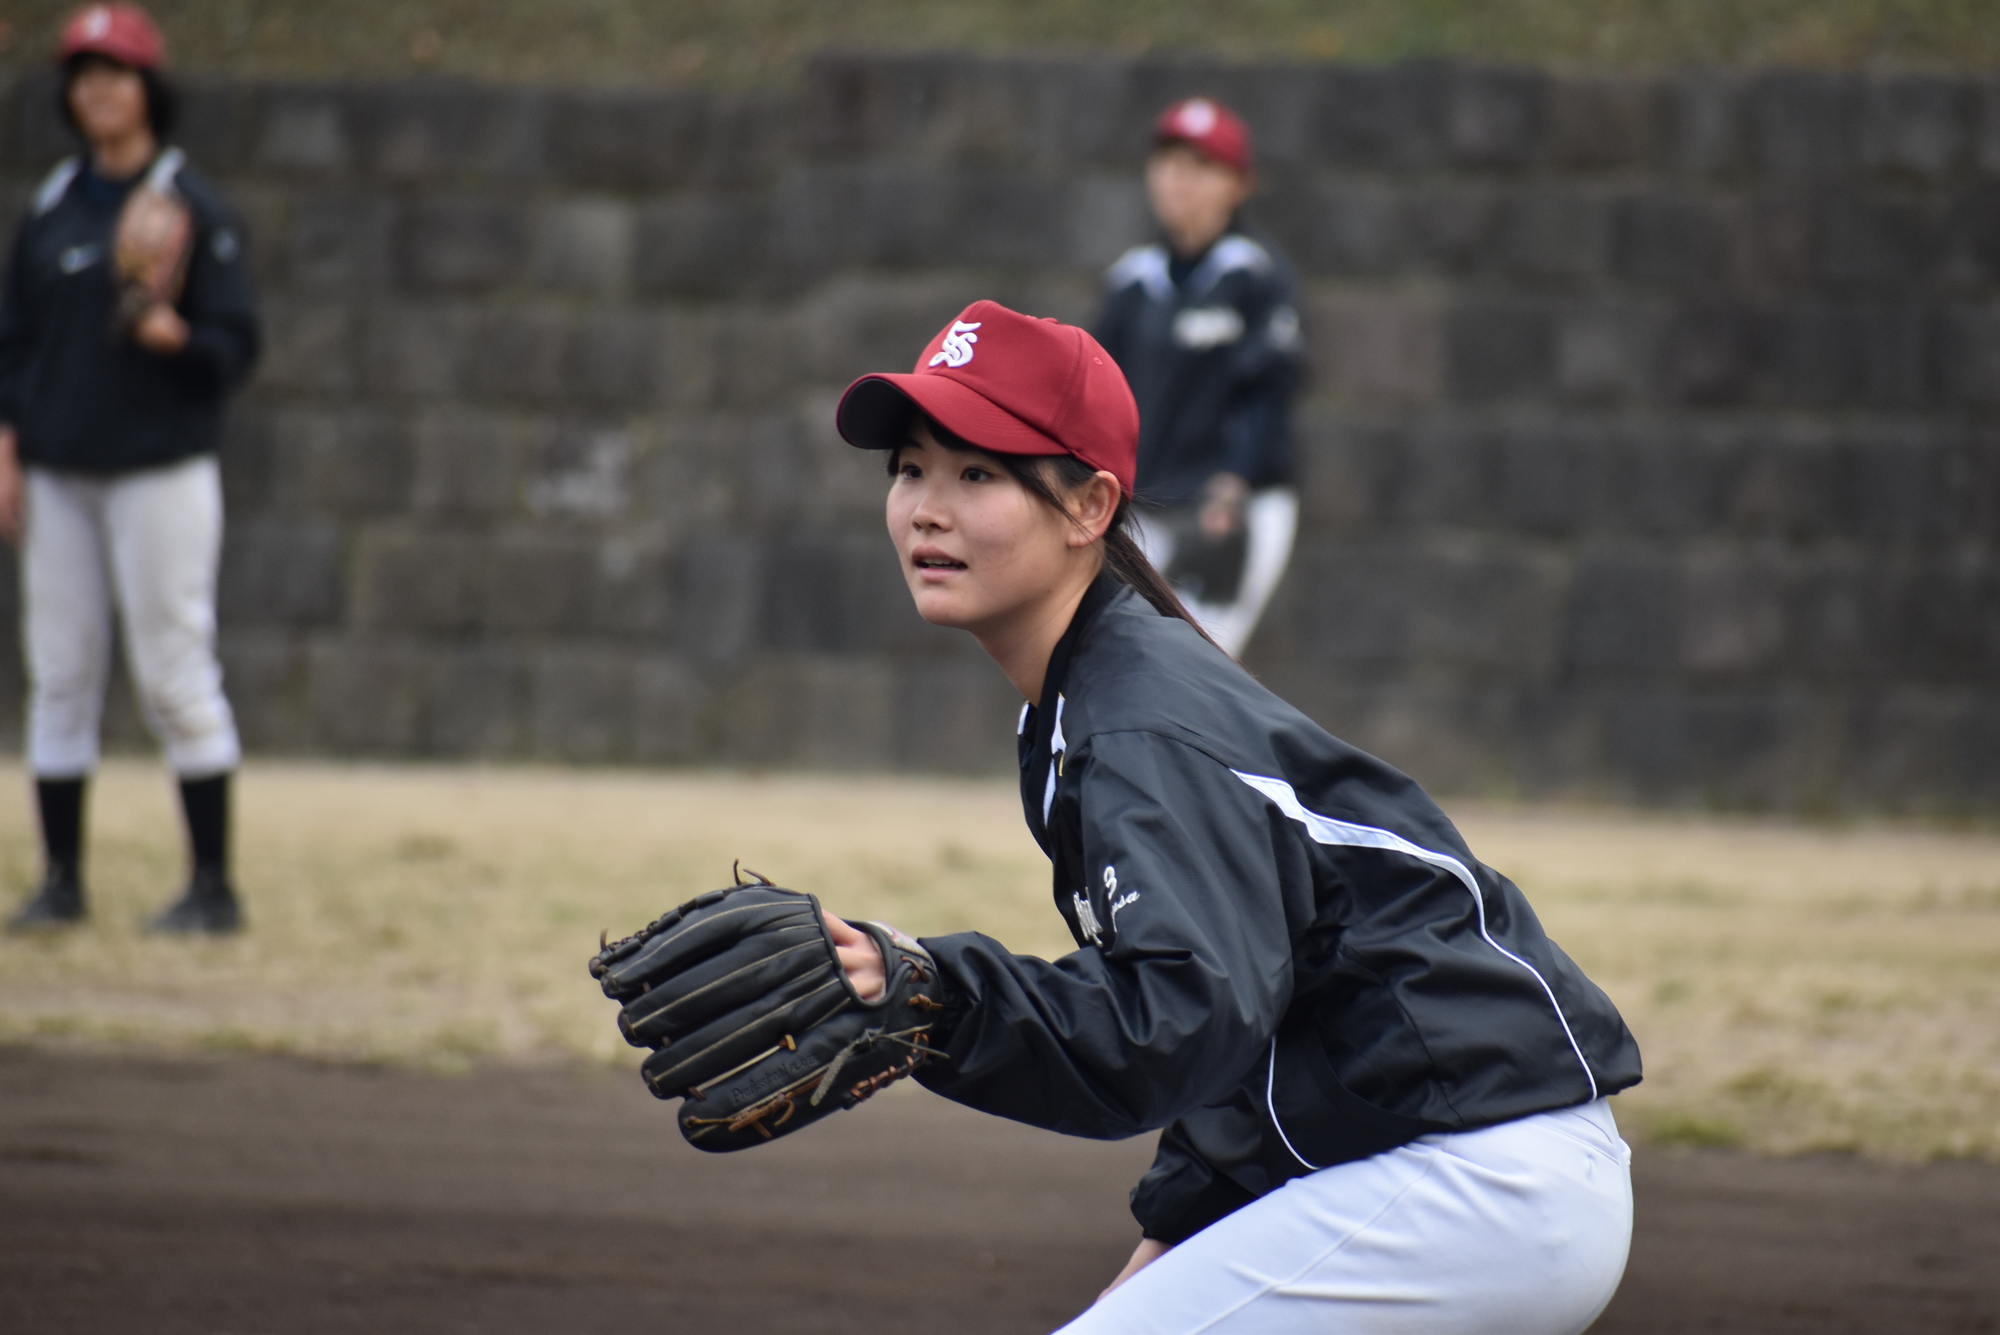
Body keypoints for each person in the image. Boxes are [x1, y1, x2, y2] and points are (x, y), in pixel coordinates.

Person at [829, 301, 1640, 1333]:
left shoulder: (1137, 723)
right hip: (1459, 1164)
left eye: (977, 472)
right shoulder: (1097, 697)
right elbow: (1239, 1037)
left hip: (1468, 1177)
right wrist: (1159, 1255)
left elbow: (1171, 1024)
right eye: (908, 468)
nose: (925, 508)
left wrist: (934, 998)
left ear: (1089, 507)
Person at [0, 3, 260, 934]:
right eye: (83, 74)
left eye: (115, 72)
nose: (98, 89)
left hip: (159, 469)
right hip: (60, 467)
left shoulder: (191, 201)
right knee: (60, 673)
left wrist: (173, 334)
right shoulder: (54, 202)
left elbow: (237, 346)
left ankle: (212, 887)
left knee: (173, 670)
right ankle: (61, 881)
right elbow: (15, 340)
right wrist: (7, 444)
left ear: (149, 86)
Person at [1093, 97, 1305, 660]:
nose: (1177, 180)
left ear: (1239, 184)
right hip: (1147, 506)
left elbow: (1268, 389)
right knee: (1119, 660)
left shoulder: (1255, 274)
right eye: (1167, 161)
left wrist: (1233, 485)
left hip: (1229, 507)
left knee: (1195, 665)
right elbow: (1098, 394)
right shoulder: (1132, 281)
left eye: (1201, 166)